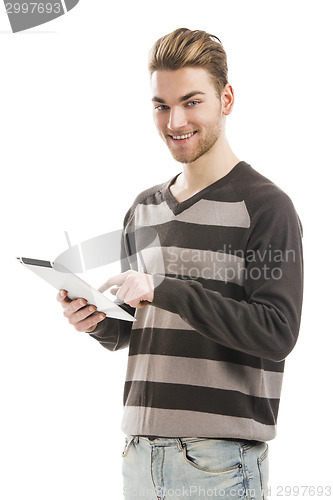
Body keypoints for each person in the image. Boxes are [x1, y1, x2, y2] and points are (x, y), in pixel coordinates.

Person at [57, 28, 303, 499]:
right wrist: (96, 320)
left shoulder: (268, 207)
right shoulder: (144, 208)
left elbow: (277, 333)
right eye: (162, 105)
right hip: (139, 455)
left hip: (218, 464)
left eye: (192, 102)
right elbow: (139, 328)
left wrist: (163, 288)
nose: (175, 121)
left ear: (226, 99)